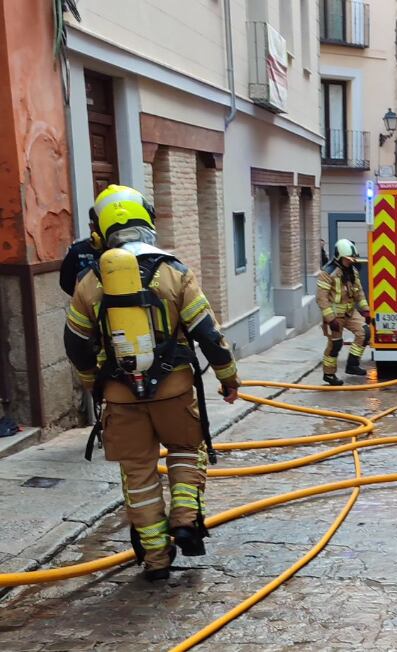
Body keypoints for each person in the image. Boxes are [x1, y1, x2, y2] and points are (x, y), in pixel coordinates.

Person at [64, 185, 240, 581]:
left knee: (138, 474)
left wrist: (95, 382)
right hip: (174, 390)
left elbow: (75, 344)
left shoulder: (90, 282)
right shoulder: (174, 271)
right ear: (146, 221)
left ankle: (157, 560)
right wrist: (229, 379)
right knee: (184, 450)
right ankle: (184, 520)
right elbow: (208, 334)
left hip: (120, 398)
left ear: (103, 229)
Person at [316, 239, 371, 386]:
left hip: (350, 312)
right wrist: (330, 319)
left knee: (365, 332)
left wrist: (365, 310)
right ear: (339, 257)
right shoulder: (327, 273)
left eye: (352, 259)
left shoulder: (352, 271)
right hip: (334, 316)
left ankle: (352, 365)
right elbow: (321, 298)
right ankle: (329, 374)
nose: (351, 262)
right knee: (335, 345)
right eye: (348, 259)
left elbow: (359, 292)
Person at [59, 208, 104, 295]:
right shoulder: (77, 250)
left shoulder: (118, 248)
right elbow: (65, 282)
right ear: (91, 226)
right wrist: (81, 297)